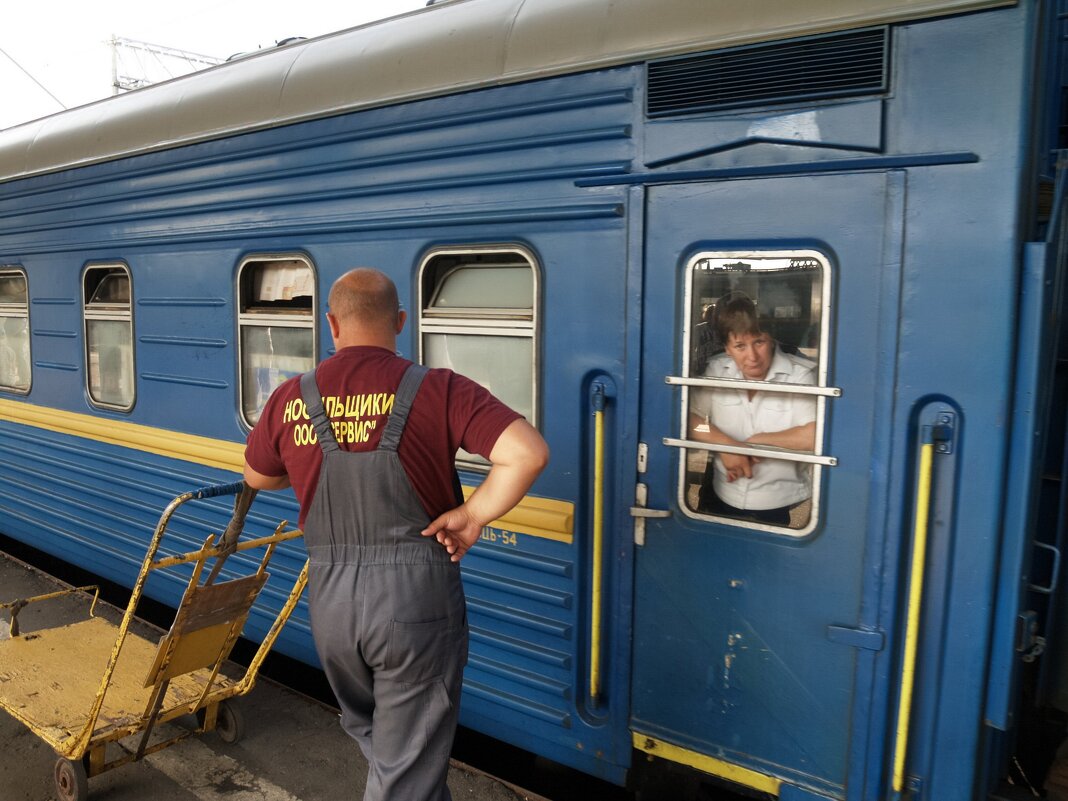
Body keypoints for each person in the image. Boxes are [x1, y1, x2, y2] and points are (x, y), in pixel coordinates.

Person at [243, 268, 549, 801]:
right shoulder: (440, 388)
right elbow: (527, 452)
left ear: (332, 323)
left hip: (333, 602)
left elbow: (259, 476)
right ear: (401, 322)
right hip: (414, 601)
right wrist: (473, 515)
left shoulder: (292, 396)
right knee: (406, 760)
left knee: (390, 745)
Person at [688, 294, 816, 526]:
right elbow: (692, 419)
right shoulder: (718, 371)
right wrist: (727, 445)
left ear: (772, 339)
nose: (752, 357)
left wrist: (757, 441)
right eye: (740, 346)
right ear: (727, 348)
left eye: (759, 342)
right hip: (720, 493)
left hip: (775, 504)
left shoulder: (800, 375)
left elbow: (815, 434)